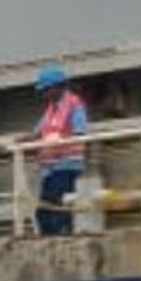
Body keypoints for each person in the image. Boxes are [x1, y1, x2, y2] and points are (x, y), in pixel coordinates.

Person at [29, 64, 89, 236]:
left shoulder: (74, 105)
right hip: (50, 169)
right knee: (45, 210)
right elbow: (38, 132)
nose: (44, 94)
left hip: (67, 166)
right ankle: (51, 236)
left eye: (46, 89)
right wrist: (18, 142)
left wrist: (57, 140)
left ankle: (61, 234)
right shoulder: (51, 108)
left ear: (58, 87)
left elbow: (80, 132)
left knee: (56, 207)